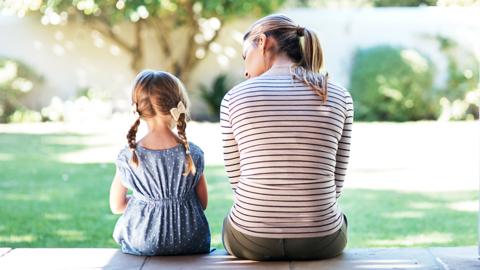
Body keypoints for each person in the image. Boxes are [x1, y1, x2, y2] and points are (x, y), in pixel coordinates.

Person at [220, 14, 353, 260]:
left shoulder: (234, 98)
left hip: (251, 240)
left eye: (244, 56)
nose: (245, 70)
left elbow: (237, 182)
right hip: (321, 240)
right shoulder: (338, 95)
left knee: (232, 221)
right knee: (339, 218)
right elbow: (336, 182)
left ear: (262, 42)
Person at [109, 70, 210, 256]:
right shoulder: (193, 153)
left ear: (138, 109)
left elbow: (117, 206)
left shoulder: (128, 156)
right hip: (191, 240)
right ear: (178, 105)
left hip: (143, 241)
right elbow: (202, 203)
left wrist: (145, 202)